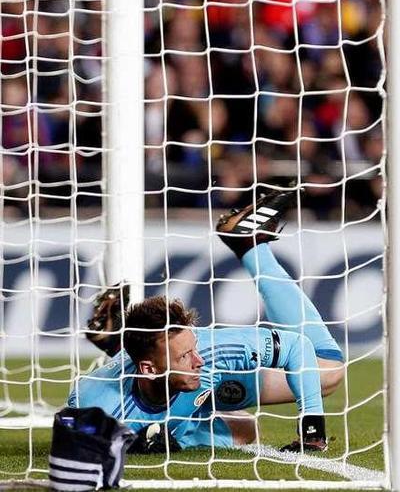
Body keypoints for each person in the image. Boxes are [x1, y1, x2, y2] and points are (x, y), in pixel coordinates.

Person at [69, 190, 345, 453]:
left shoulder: (210, 352)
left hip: (190, 385)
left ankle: (248, 243)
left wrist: (312, 430)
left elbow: (297, 346)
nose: (198, 360)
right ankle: (250, 247)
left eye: (194, 349)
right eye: (186, 356)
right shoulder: (97, 405)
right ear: (149, 368)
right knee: (244, 429)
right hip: (163, 389)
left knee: (328, 373)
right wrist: (152, 442)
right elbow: (74, 431)